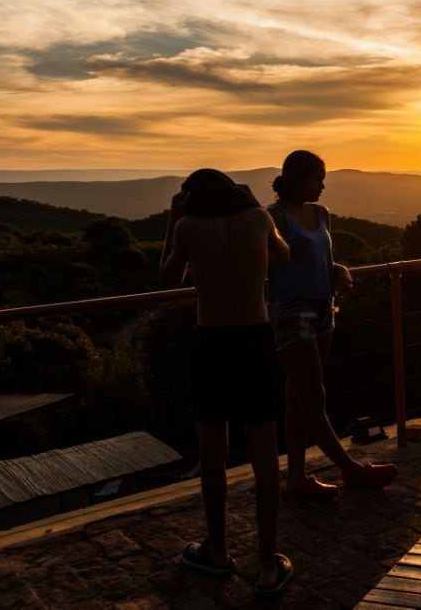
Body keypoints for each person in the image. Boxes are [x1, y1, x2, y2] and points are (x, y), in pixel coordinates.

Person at [160, 168, 295, 597]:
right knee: (264, 455)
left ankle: (217, 552)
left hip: (211, 343)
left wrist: (171, 220)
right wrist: (256, 207)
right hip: (254, 340)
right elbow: (284, 256)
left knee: (212, 454)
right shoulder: (257, 220)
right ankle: (267, 566)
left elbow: (168, 278)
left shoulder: (187, 227)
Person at [268, 150, 396, 498]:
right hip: (292, 312)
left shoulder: (322, 214)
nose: (323, 185)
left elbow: (324, 259)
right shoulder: (272, 218)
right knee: (312, 397)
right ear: (297, 179)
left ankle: (295, 478)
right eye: (316, 178)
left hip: (325, 307)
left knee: (298, 397)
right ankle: (351, 469)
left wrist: (337, 270)